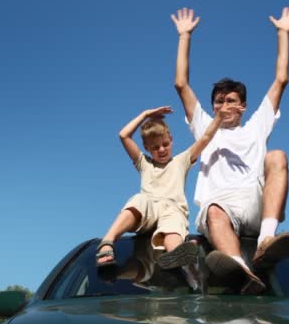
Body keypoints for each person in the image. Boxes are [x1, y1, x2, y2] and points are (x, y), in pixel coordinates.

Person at [171, 6, 289, 293]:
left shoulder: (256, 126)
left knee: (278, 155)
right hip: (221, 209)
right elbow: (181, 84)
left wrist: (283, 33)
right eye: (218, 101)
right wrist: (184, 36)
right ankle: (241, 271)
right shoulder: (205, 126)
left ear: (243, 106)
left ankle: (266, 241)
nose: (224, 105)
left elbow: (281, 80)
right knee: (215, 209)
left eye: (231, 100)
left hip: (255, 205)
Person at [96, 105, 229, 270]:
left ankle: (176, 253)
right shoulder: (144, 163)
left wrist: (219, 118)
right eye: (155, 147)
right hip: (148, 209)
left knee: (174, 222)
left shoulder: (181, 161)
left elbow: (206, 137)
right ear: (146, 148)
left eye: (165, 144)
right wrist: (145, 114)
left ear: (171, 139)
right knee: (139, 199)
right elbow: (124, 135)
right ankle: (107, 242)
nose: (161, 150)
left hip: (172, 208)